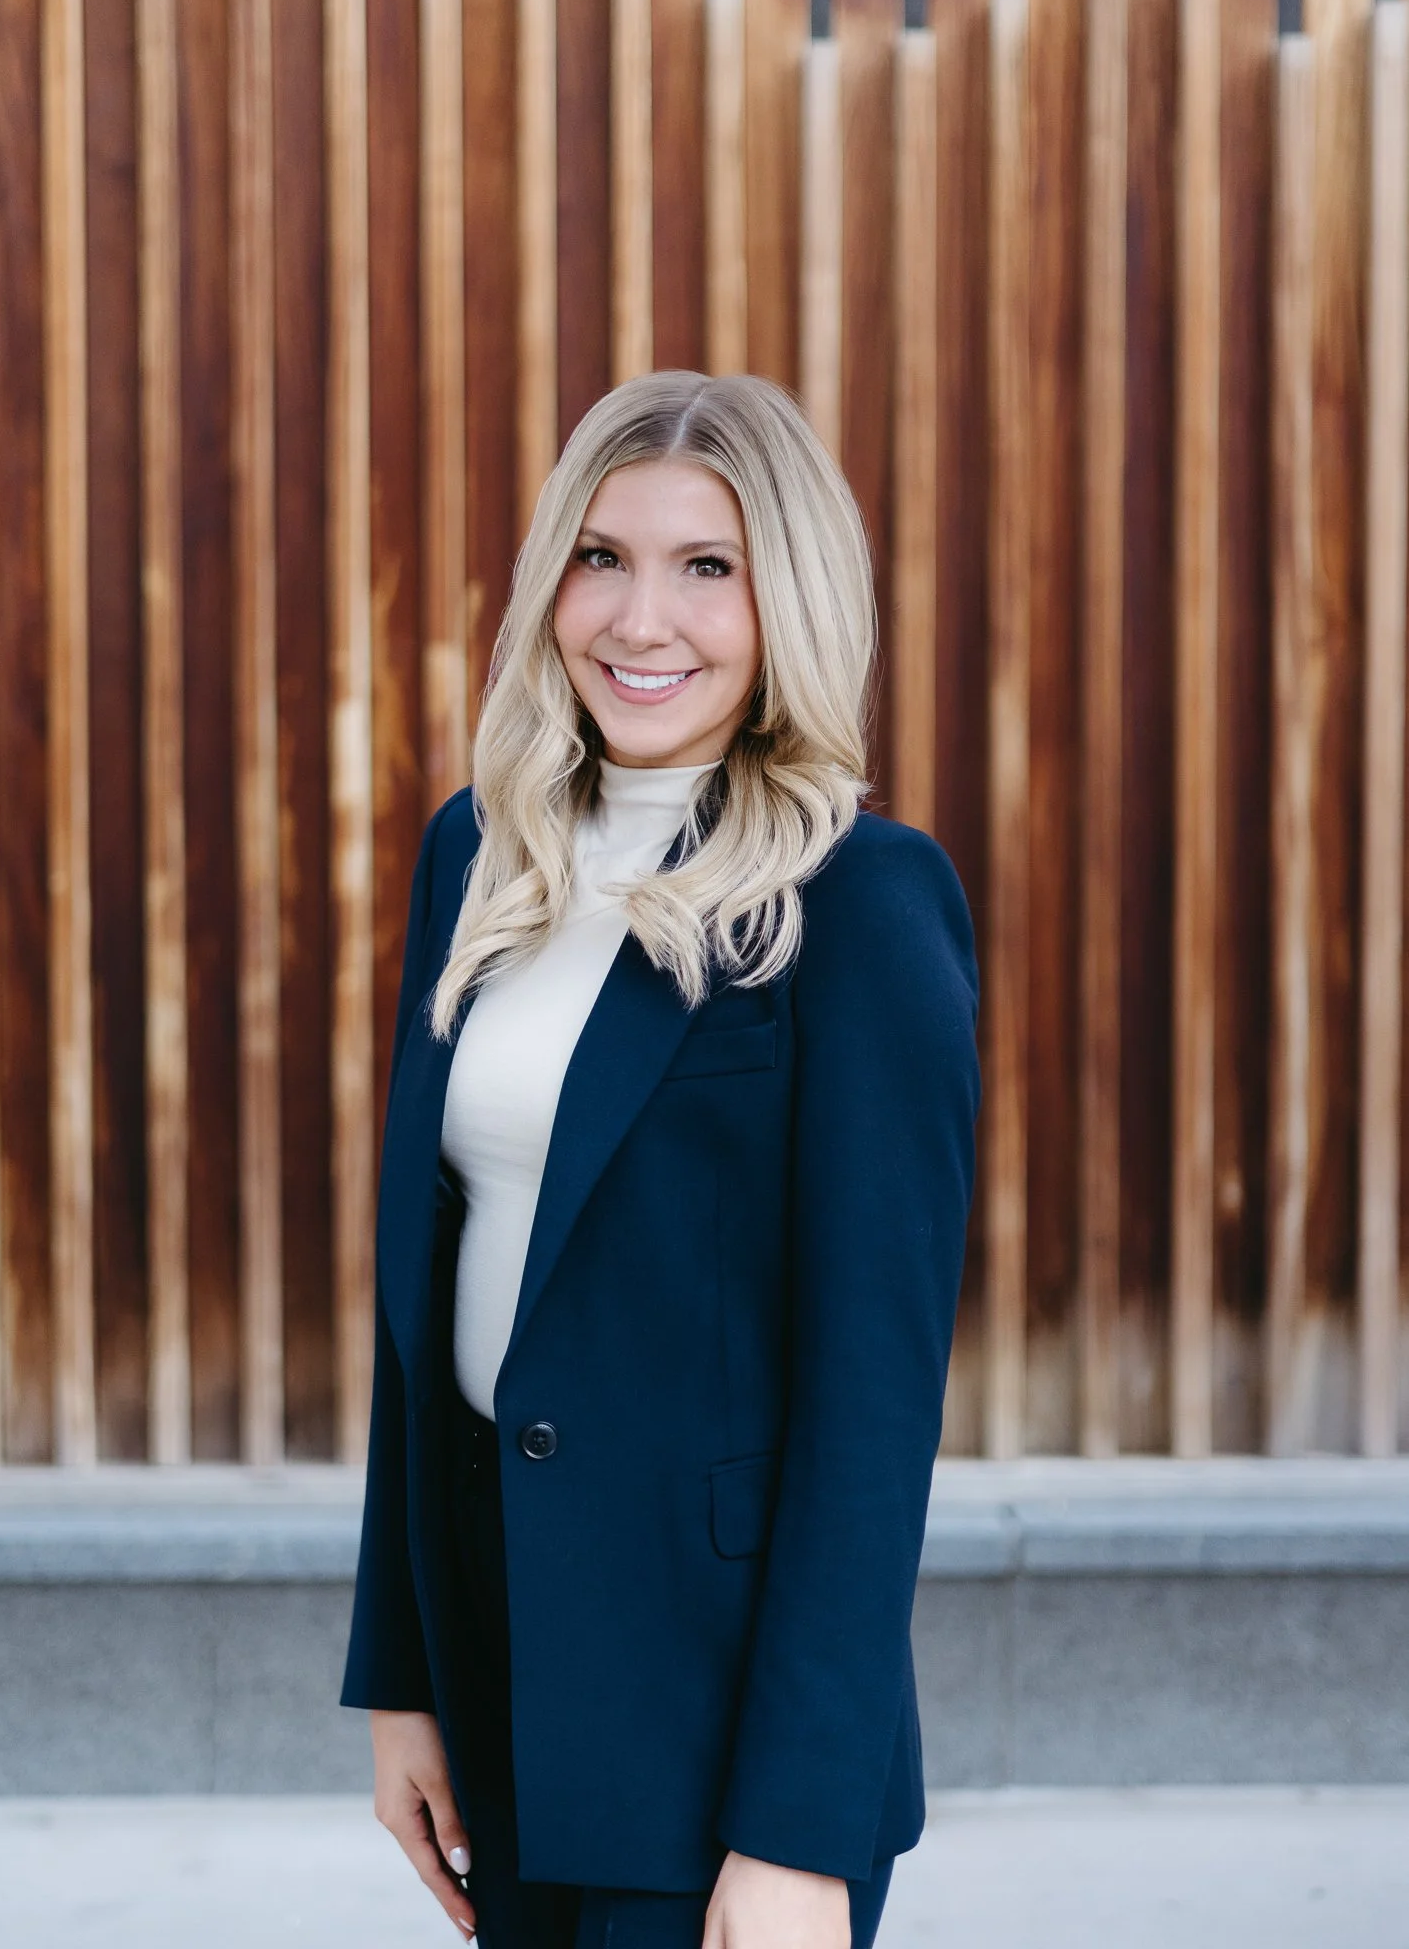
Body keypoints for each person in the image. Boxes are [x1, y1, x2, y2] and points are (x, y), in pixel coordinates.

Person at [340, 370, 981, 1949]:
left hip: (717, 1726)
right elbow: (418, 1315)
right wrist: (399, 1678)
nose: (644, 618)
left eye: (710, 568)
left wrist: (798, 1832)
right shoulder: (478, 855)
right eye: (603, 557)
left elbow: (870, 1408)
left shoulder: (857, 906)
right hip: (497, 1655)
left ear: (792, 601)